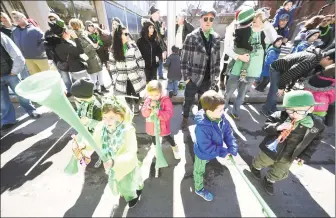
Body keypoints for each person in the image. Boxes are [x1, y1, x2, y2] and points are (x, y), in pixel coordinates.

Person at [250, 90, 325, 195]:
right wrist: (278, 127)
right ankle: (255, 168)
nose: (294, 114)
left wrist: (305, 155)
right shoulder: (280, 115)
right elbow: (266, 126)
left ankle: (270, 180)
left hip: (291, 154)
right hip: (272, 149)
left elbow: (314, 142)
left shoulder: (317, 124)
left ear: (311, 109)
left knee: (280, 171)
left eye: (299, 111)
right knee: (262, 161)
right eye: (290, 110)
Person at [224, 8, 278, 120]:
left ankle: (235, 112)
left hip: (253, 71)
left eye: (258, 20)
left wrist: (266, 22)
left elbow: (274, 38)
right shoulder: (242, 30)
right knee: (228, 92)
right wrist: (239, 57)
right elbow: (229, 47)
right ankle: (221, 110)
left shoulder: (264, 34)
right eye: (252, 20)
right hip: (237, 69)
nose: (254, 22)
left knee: (241, 95)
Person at [92, 96, 143, 208]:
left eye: (111, 117)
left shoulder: (128, 130)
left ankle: (133, 196)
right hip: (112, 165)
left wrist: (114, 162)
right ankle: (129, 191)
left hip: (126, 165)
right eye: (104, 117)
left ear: (121, 115)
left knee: (130, 182)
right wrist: (82, 147)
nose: (107, 121)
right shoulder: (102, 127)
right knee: (121, 183)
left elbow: (131, 152)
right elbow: (93, 141)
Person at [261, 48, 335, 116]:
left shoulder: (317, 59)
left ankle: (272, 108)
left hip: (285, 70)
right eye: (333, 64)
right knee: (276, 91)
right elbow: (289, 74)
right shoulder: (309, 61)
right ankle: (265, 109)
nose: (332, 67)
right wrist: (281, 87)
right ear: (327, 58)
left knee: (277, 92)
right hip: (277, 69)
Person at [193, 90, 238, 201]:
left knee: (209, 157)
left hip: (212, 151)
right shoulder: (202, 128)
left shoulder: (220, 118)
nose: (223, 112)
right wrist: (223, 152)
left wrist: (232, 146)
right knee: (199, 171)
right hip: (202, 154)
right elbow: (206, 148)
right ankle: (198, 189)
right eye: (220, 110)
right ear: (208, 111)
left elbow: (228, 132)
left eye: (223, 109)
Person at [180, 8, 221, 129]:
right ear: (200, 20)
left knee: (203, 103)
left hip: (208, 79)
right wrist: (186, 78)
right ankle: (185, 117)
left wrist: (215, 78)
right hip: (193, 77)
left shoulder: (216, 37)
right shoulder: (191, 37)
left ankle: (200, 122)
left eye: (211, 19)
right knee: (188, 101)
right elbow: (183, 59)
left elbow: (217, 60)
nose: (208, 21)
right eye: (206, 18)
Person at [1, 33, 40, 130]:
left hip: (10, 73)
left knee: (21, 94)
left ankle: (31, 110)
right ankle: (8, 120)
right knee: (2, 101)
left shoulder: (1, 37)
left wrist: (14, 71)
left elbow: (16, 53)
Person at [141, 80, 180, 177]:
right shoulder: (148, 100)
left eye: (156, 95)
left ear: (161, 92)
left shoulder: (165, 100)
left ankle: (175, 147)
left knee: (168, 137)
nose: (154, 97)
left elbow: (168, 114)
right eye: (151, 95)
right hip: (152, 126)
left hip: (163, 127)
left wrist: (159, 112)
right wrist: (149, 107)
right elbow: (144, 113)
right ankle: (157, 149)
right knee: (154, 138)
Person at [109, 25, 146, 115]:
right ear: (119, 36)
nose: (128, 35)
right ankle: (129, 107)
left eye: (128, 33)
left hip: (134, 75)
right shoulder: (113, 49)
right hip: (122, 77)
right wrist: (115, 78)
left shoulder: (133, 46)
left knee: (135, 92)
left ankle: (136, 106)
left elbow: (140, 60)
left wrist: (140, 73)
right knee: (126, 93)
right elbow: (112, 66)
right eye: (125, 34)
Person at [69, 19, 104, 95]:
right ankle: (95, 91)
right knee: (93, 76)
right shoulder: (75, 36)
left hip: (94, 56)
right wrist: (92, 46)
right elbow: (81, 51)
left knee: (98, 73)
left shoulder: (82, 34)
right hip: (89, 58)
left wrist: (95, 46)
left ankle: (100, 88)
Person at [148, 4, 167, 80]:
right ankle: (153, 77)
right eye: (158, 13)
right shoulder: (148, 23)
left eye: (159, 13)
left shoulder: (158, 23)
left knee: (160, 61)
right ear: (153, 13)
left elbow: (162, 36)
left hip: (159, 45)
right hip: (152, 46)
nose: (159, 15)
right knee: (154, 62)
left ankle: (161, 75)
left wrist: (162, 29)